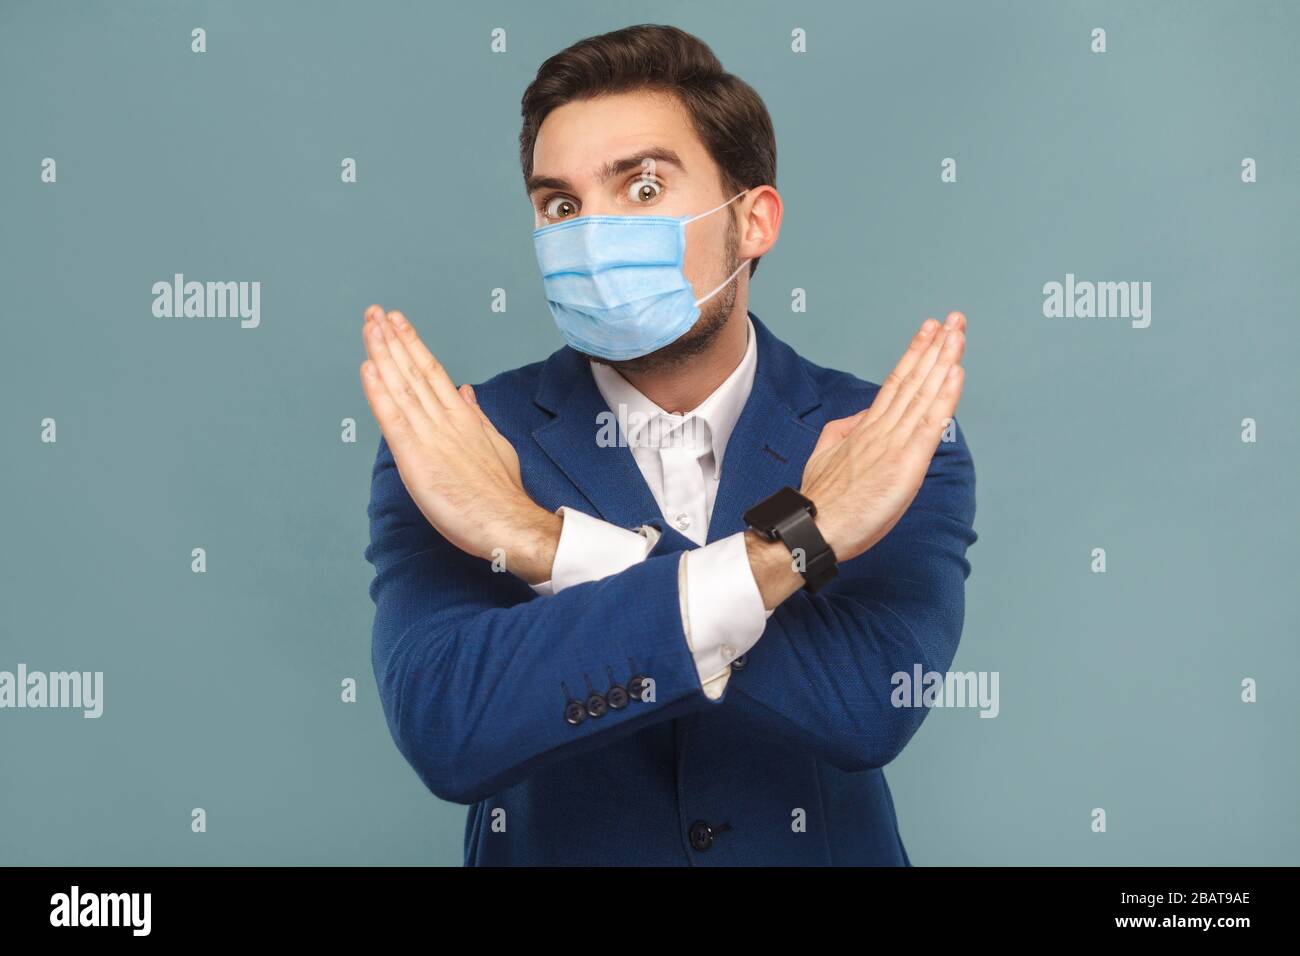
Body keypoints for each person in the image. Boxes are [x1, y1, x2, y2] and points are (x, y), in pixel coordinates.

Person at [361, 24, 975, 865]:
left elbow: (864, 704)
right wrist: (780, 559)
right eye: (561, 206)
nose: (592, 235)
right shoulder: (460, 444)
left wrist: (546, 545)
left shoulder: (881, 439)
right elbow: (450, 726)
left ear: (753, 220)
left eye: (643, 187)